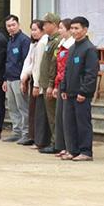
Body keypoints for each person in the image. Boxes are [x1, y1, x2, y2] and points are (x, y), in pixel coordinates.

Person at [61, 16, 99, 161]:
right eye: (72, 28)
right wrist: (64, 88)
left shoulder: (89, 49)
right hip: (70, 92)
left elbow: (91, 73)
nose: (74, 31)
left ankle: (86, 151)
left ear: (85, 30)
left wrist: (84, 91)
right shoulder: (72, 48)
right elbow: (67, 70)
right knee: (70, 123)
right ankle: (73, 150)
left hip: (81, 94)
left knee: (83, 123)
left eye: (77, 28)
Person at [34, 14, 62, 151]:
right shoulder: (49, 40)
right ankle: (54, 141)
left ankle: (56, 143)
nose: (43, 26)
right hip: (45, 83)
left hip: (50, 83)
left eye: (46, 24)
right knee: (50, 116)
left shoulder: (57, 41)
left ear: (54, 24)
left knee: (53, 116)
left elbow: (53, 65)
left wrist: (51, 84)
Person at [2, 15, 32, 143]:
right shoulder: (10, 40)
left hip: (19, 79)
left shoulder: (24, 40)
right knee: (12, 107)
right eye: (8, 26)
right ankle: (16, 131)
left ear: (18, 25)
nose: (11, 28)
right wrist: (5, 79)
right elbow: (8, 61)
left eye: (13, 25)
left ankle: (26, 133)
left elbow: (26, 61)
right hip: (9, 78)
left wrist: (24, 80)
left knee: (22, 107)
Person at [49, 19, 76, 157]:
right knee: (60, 117)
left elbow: (66, 68)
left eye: (61, 28)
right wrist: (55, 85)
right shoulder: (61, 44)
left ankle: (69, 146)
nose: (59, 31)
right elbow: (58, 67)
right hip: (60, 82)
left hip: (67, 84)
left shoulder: (71, 46)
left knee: (67, 118)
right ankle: (62, 146)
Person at [20, 20, 46, 147]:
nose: (33, 32)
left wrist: (36, 83)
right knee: (32, 110)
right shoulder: (33, 44)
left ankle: (39, 139)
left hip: (39, 81)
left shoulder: (43, 43)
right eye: (32, 30)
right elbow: (28, 61)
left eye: (36, 29)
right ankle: (32, 136)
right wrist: (23, 76)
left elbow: (38, 65)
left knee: (39, 112)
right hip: (31, 79)